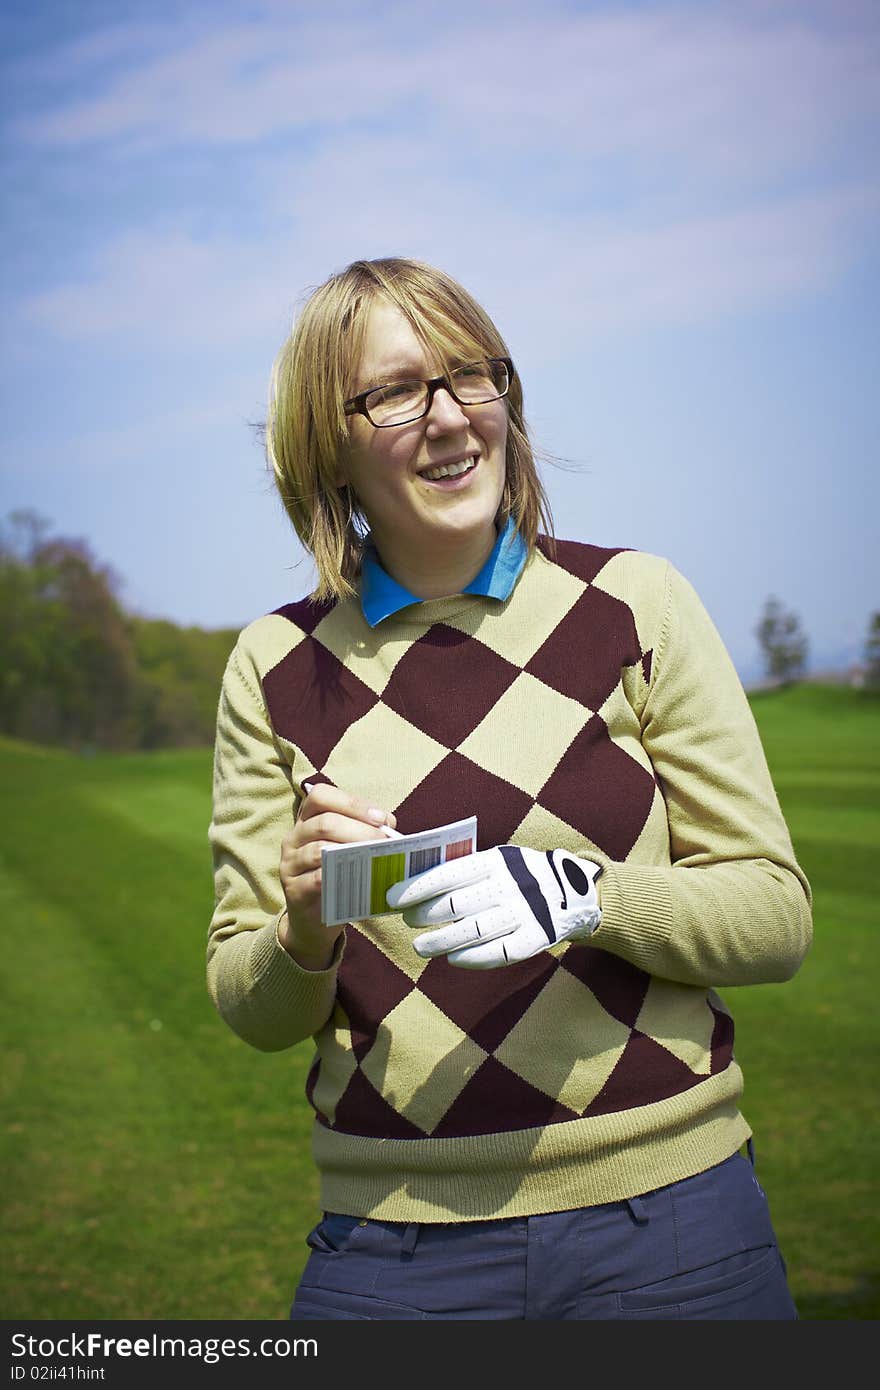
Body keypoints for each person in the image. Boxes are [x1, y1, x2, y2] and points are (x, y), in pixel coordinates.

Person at [207, 256, 812, 1321]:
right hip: (392, 1251)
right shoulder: (274, 662)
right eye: (395, 391)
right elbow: (252, 1007)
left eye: (469, 376)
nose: (447, 418)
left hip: (672, 1226)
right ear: (326, 441)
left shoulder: (632, 601)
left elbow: (774, 915)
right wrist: (303, 926)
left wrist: (587, 895)